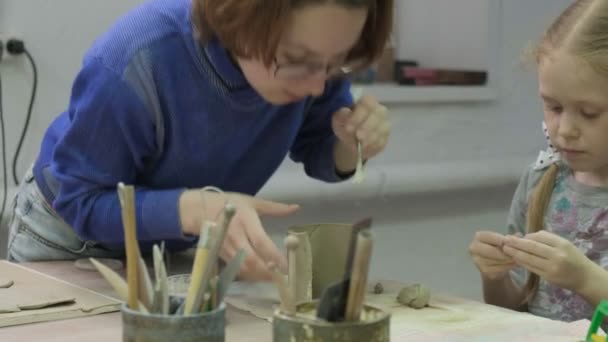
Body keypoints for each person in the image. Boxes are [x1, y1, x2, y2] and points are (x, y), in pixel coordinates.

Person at [7, 0, 393, 281]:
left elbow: (318, 149)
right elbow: (83, 202)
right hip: (69, 233)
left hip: (169, 240)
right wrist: (197, 210)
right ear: (239, 13)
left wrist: (351, 145)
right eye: (296, 59)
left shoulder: (316, 65)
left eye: (337, 61)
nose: (316, 85)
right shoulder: (138, 57)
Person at [469, 0, 608, 321]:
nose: (565, 130)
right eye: (554, 107)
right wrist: (495, 276)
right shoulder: (542, 178)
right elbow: (514, 312)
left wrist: (586, 279)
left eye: (588, 113)